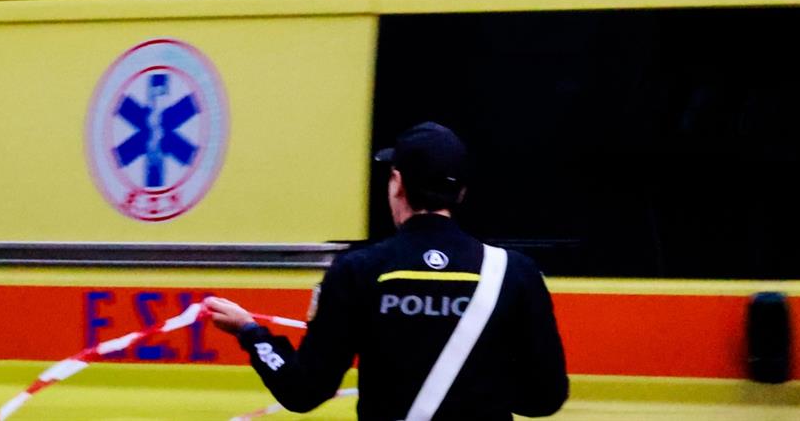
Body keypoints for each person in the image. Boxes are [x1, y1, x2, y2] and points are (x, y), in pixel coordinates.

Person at [204, 121, 569, 421]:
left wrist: (251, 333)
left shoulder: (358, 270)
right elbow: (546, 397)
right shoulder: (514, 272)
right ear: (461, 193)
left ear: (397, 183)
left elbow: (302, 391)